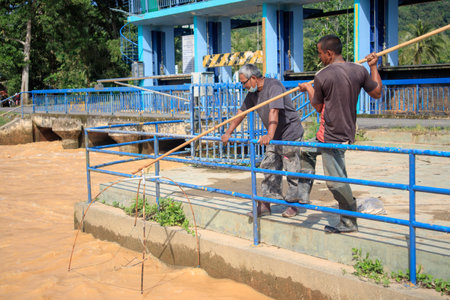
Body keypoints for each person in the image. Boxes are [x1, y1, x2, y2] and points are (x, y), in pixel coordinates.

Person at [297, 35, 382, 233]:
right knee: (305, 149)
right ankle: (302, 194)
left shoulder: (323, 75)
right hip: (342, 131)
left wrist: (308, 88)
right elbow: (377, 92)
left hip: (331, 135)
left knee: (336, 182)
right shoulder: (359, 70)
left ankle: (349, 221)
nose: (319, 57)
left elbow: (318, 107)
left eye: (320, 53)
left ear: (329, 53)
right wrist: (374, 67)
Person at [221, 64, 304, 218]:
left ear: (253, 78)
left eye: (244, 82)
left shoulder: (274, 86)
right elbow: (241, 112)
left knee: (292, 168)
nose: (243, 86)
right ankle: (265, 204)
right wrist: (228, 132)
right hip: (274, 135)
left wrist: (269, 136)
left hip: (290, 132)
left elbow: (274, 110)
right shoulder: (253, 94)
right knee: (268, 165)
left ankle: (293, 204)